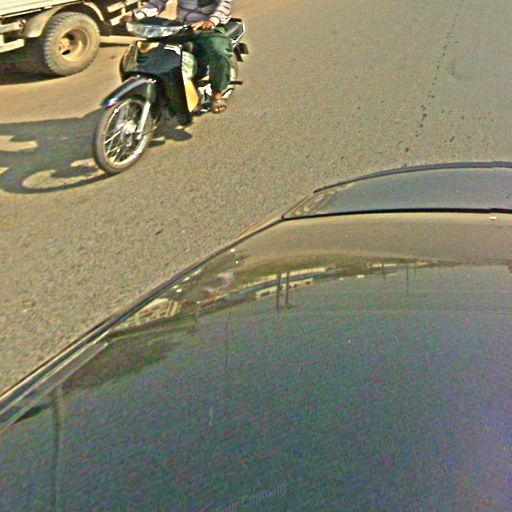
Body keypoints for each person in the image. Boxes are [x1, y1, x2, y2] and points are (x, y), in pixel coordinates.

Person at [123, 0, 233, 114]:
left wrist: (212, 21)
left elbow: (224, 4)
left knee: (219, 52)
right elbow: (158, 2)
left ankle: (217, 93)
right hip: (180, 27)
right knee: (154, 50)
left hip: (208, 28)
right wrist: (138, 15)